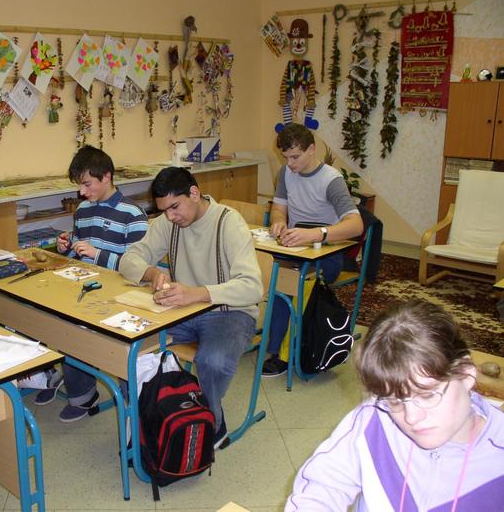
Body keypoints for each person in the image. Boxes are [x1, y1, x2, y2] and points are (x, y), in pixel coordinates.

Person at [286, 301, 504, 511]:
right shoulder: (374, 419)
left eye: (427, 395)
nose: (411, 417)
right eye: (395, 400)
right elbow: (324, 487)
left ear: (466, 374)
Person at [119, 166, 263, 447]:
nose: (170, 217)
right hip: (183, 309)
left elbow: (252, 287)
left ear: (194, 194)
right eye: (164, 210)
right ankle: (151, 416)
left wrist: (197, 294)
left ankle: (212, 420)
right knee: (131, 348)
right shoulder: (169, 222)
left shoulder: (228, 222)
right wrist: (151, 272)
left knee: (213, 360)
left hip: (229, 311)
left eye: (175, 207)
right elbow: (129, 258)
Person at [20, 145, 149, 422]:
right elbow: (79, 253)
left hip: (120, 292)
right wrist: (66, 247)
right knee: (39, 311)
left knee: (74, 326)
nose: (82, 192)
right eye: (79, 185)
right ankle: (52, 375)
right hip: (85, 285)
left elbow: (140, 269)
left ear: (107, 177)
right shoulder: (83, 210)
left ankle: (83, 394)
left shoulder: (133, 215)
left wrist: (97, 254)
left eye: (87, 184)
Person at [263, 123, 363, 377]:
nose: (290, 164)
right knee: (265, 270)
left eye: (295, 157)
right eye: (286, 157)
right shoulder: (286, 173)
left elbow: (356, 225)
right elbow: (279, 209)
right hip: (296, 248)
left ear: (311, 149)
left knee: (285, 281)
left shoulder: (331, 180)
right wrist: (279, 222)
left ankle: (280, 353)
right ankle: (270, 339)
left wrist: (316, 234)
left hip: (326, 254)